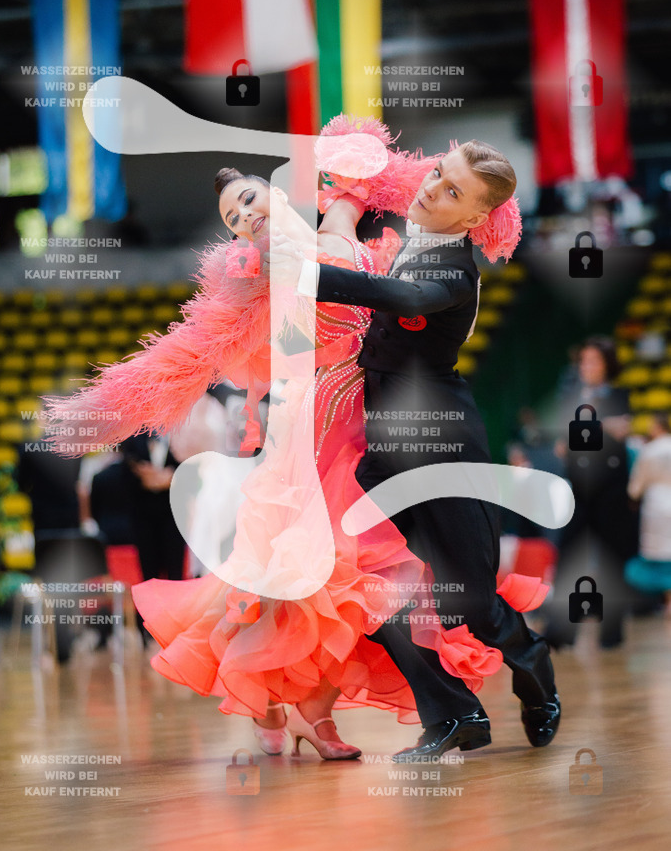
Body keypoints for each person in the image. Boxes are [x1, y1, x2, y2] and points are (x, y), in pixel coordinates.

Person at [46, 121, 547, 760]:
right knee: (325, 578)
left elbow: (379, 178)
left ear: (281, 195)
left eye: (251, 198)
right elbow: (197, 350)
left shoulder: (335, 232)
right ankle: (296, 709)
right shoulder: (253, 275)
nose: (245, 215)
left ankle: (339, 710)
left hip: (378, 414)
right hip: (320, 431)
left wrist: (472, 209)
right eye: (232, 215)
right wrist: (115, 402)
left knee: (378, 581)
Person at [274, 133, 560, 762]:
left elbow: (407, 300)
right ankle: (455, 717)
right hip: (382, 457)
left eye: (452, 191)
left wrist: (308, 275)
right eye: (437, 174)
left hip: (442, 453)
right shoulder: (415, 238)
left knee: (472, 605)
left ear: (476, 218)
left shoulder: (454, 268)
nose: (432, 189)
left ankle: (532, 660)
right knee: (375, 590)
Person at [544, 337, 635, 650]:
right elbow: (562, 442)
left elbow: (620, 430)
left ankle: (611, 630)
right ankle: (560, 630)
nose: (587, 367)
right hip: (579, 489)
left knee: (611, 556)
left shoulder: (621, 395)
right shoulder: (571, 396)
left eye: (593, 361)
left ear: (607, 364)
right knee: (568, 554)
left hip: (610, 490)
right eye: (583, 361)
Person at [625, 413, 671, 614]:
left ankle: (666, 600)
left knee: (659, 557)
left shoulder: (648, 450)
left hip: (655, 506)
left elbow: (635, 487)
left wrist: (633, 496)